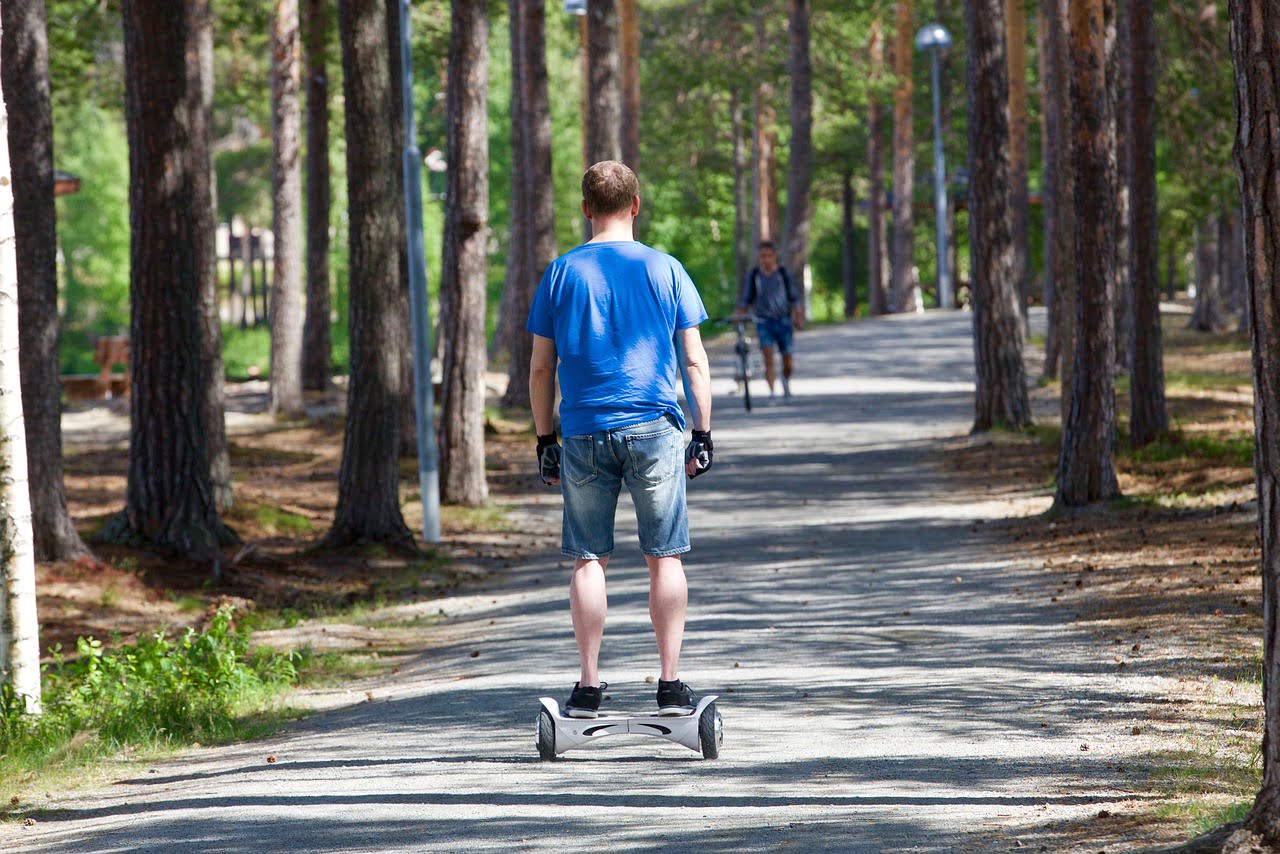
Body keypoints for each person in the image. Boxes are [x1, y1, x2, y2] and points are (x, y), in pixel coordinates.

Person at [526, 161, 714, 720]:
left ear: (586, 208)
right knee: (665, 556)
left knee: (588, 559)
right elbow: (696, 359)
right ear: (636, 205)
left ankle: (587, 686)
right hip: (656, 428)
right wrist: (702, 432)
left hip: (583, 430)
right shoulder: (667, 269)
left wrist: (544, 438)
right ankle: (671, 683)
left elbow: (540, 368)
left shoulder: (560, 274)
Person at [736, 241, 804, 400]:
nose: (765, 259)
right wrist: (740, 312)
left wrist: (798, 316)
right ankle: (772, 391)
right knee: (768, 357)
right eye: (762, 256)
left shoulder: (782, 274)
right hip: (763, 322)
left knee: (788, 358)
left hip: (784, 321)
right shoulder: (755, 276)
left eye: (768, 256)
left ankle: (786, 380)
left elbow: (794, 297)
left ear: (774, 257)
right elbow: (747, 297)